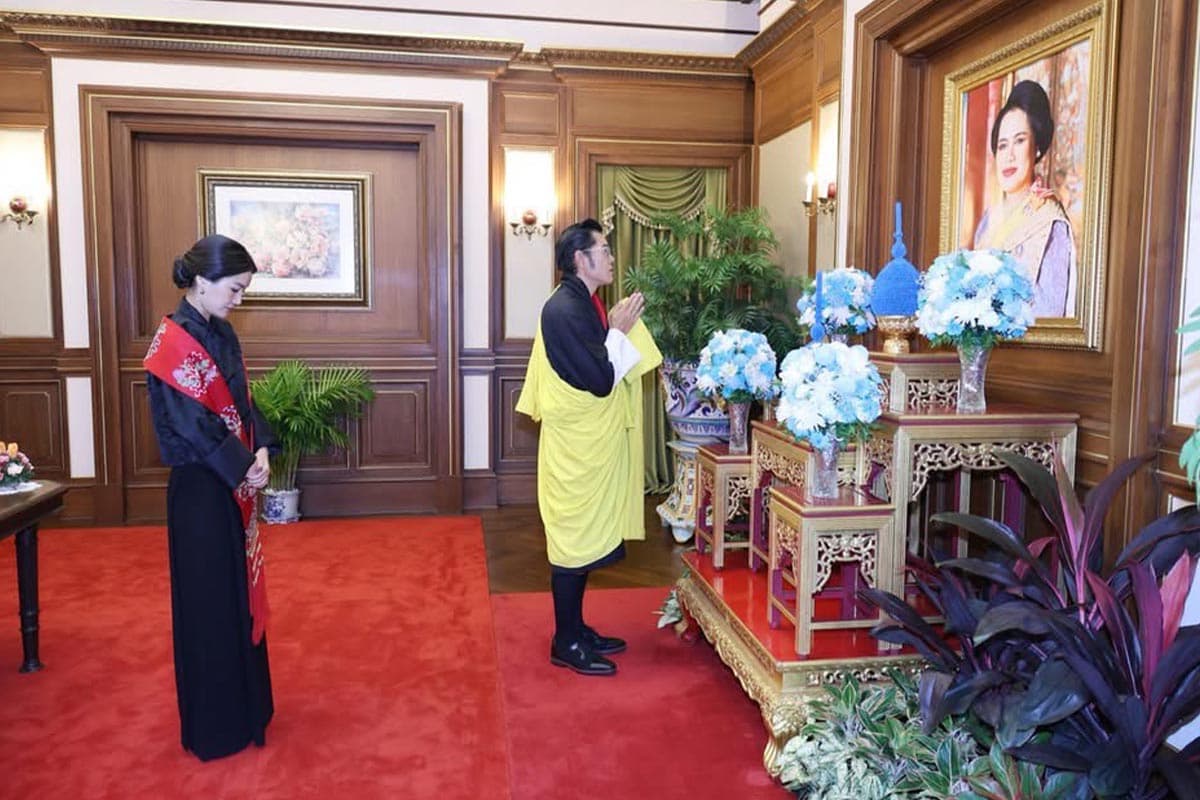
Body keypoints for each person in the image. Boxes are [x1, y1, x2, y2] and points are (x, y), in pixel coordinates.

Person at [144, 234, 277, 760]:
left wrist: (262, 447)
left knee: (239, 597)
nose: (238, 300)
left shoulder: (221, 333)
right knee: (209, 607)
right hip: (201, 491)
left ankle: (251, 710)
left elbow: (243, 401)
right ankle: (217, 726)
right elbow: (193, 427)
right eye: (235, 289)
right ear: (201, 282)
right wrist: (245, 468)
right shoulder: (171, 345)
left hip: (235, 480)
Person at [516, 218, 662, 676]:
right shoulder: (563, 309)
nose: (612, 255)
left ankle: (577, 629)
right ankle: (565, 641)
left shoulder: (584, 303)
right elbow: (600, 381)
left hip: (587, 447)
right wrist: (617, 331)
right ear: (581, 259)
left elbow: (598, 363)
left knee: (580, 546)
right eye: (604, 248)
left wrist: (615, 327)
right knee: (570, 545)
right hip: (574, 452)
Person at [973, 79, 1077, 317]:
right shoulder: (988, 220)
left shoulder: (1050, 222)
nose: (1009, 155)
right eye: (1002, 145)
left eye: (1019, 141)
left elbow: (1051, 311)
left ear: (1036, 148)